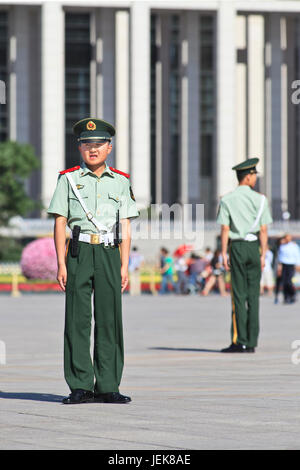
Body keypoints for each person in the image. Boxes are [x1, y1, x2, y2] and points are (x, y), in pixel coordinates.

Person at [47, 117, 139, 404]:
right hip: (79, 251)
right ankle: (80, 385)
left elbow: (125, 225)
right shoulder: (68, 179)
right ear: (79, 148)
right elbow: (60, 222)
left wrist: (124, 265)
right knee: (77, 319)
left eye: (98, 144)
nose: (93, 149)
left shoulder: (121, 181)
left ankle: (109, 385)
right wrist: (61, 263)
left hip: (110, 251)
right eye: (87, 144)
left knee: (110, 318)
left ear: (109, 147)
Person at [216, 158, 273, 353]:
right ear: (248, 177)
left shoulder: (227, 199)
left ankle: (239, 340)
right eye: (254, 175)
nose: (255, 178)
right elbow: (264, 230)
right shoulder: (261, 199)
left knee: (238, 296)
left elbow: (225, 228)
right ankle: (251, 343)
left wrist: (223, 253)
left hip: (238, 247)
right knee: (253, 296)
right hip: (254, 247)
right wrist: (264, 254)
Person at [277, 233, 300, 304]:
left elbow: (297, 255)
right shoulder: (282, 246)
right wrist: (279, 267)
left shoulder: (294, 246)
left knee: (289, 282)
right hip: (284, 265)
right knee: (284, 282)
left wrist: (298, 265)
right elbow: (280, 257)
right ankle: (286, 297)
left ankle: (292, 294)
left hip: (291, 265)